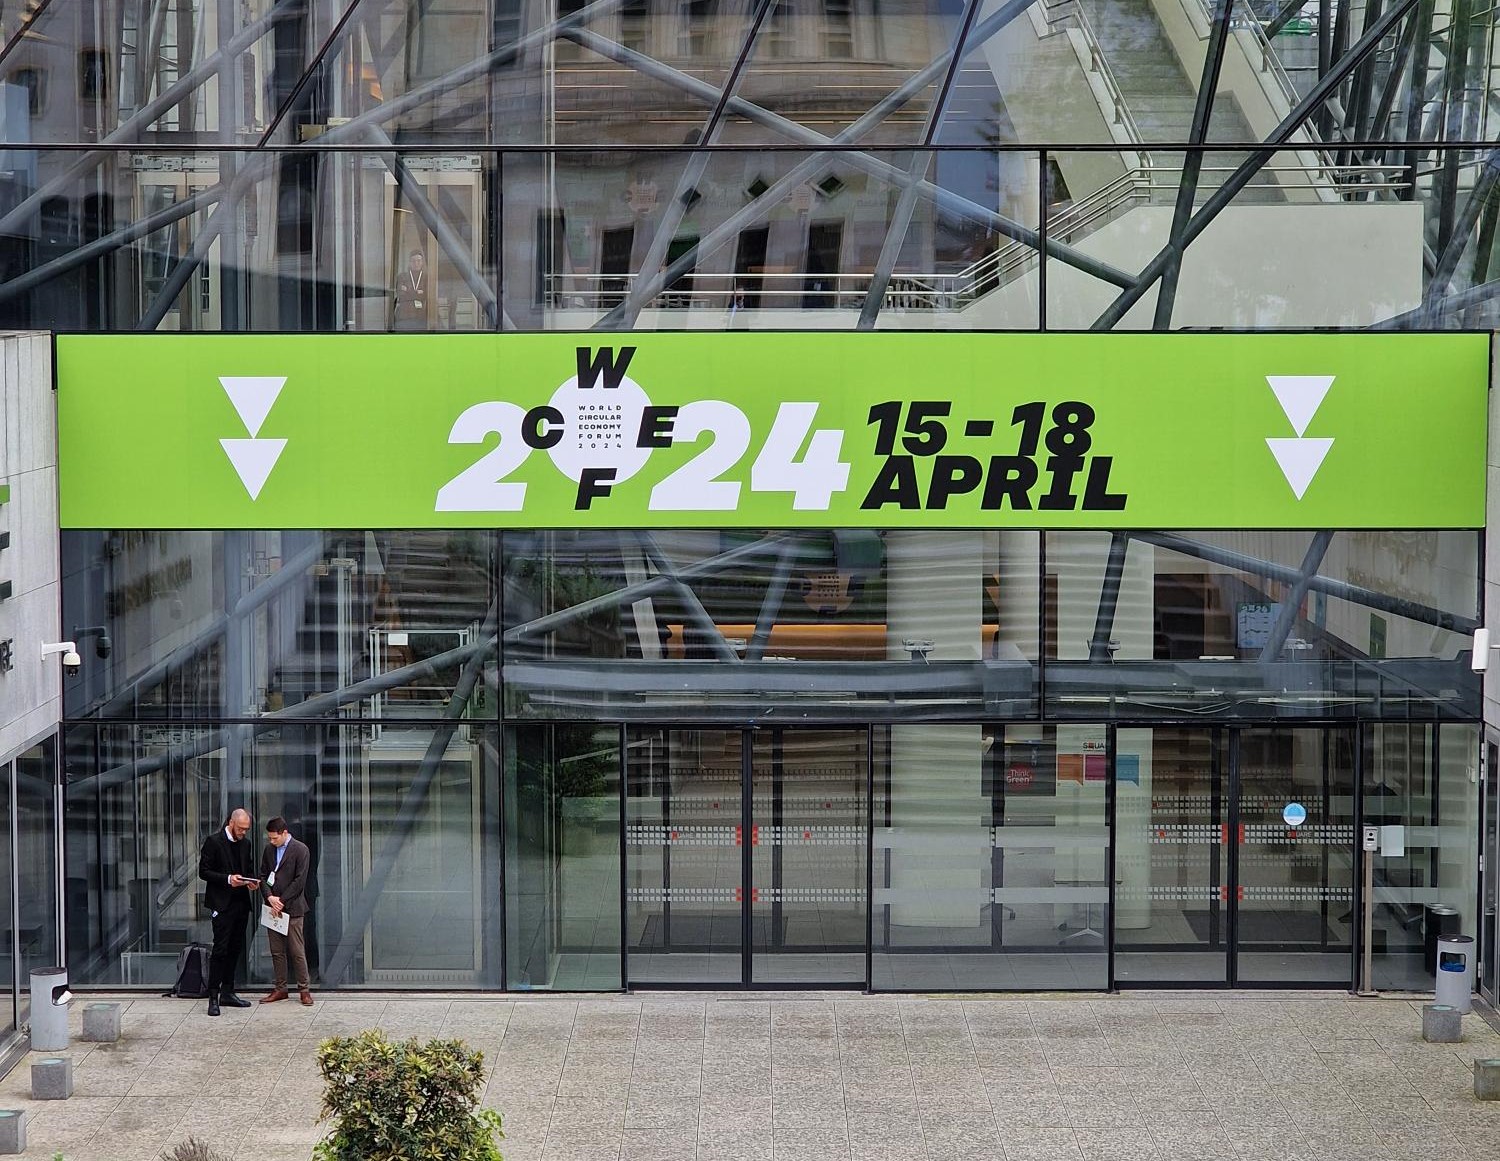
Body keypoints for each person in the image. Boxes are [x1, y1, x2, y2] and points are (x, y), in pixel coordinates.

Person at [197, 808, 259, 1017]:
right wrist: (228, 879)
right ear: (231, 823)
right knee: (220, 949)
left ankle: (228, 991)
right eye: (240, 828)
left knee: (235, 948)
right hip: (222, 903)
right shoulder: (214, 842)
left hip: (240, 903)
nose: (243, 832)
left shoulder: (245, 844)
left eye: (246, 829)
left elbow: (248, 868)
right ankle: (213, 996)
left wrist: (250, 881)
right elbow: (204, 871)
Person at [258, 816, 314, 1006]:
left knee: (297, 950)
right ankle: (280, 988)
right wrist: (270, 897)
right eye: (270, 838)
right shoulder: (269, 850)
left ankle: (304, 989)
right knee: (276, 951)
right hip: (273, 907)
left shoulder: (300, 850)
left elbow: (299, 881)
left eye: (275, 838)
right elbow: (263, 875)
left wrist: (281, 901)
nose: (272, 841)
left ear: (284, 833)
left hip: (292, 907)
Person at [391, 250, 432, 331]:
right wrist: (417, 293)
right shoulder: (402, 277)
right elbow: (401, 295)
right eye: (413, 261)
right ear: (409, 262)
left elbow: (427, 295)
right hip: (404, 317)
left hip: (421, 317)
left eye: (418, 261)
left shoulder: (427, 278)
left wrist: (408, 291)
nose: (416, 263)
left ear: (422, 262)